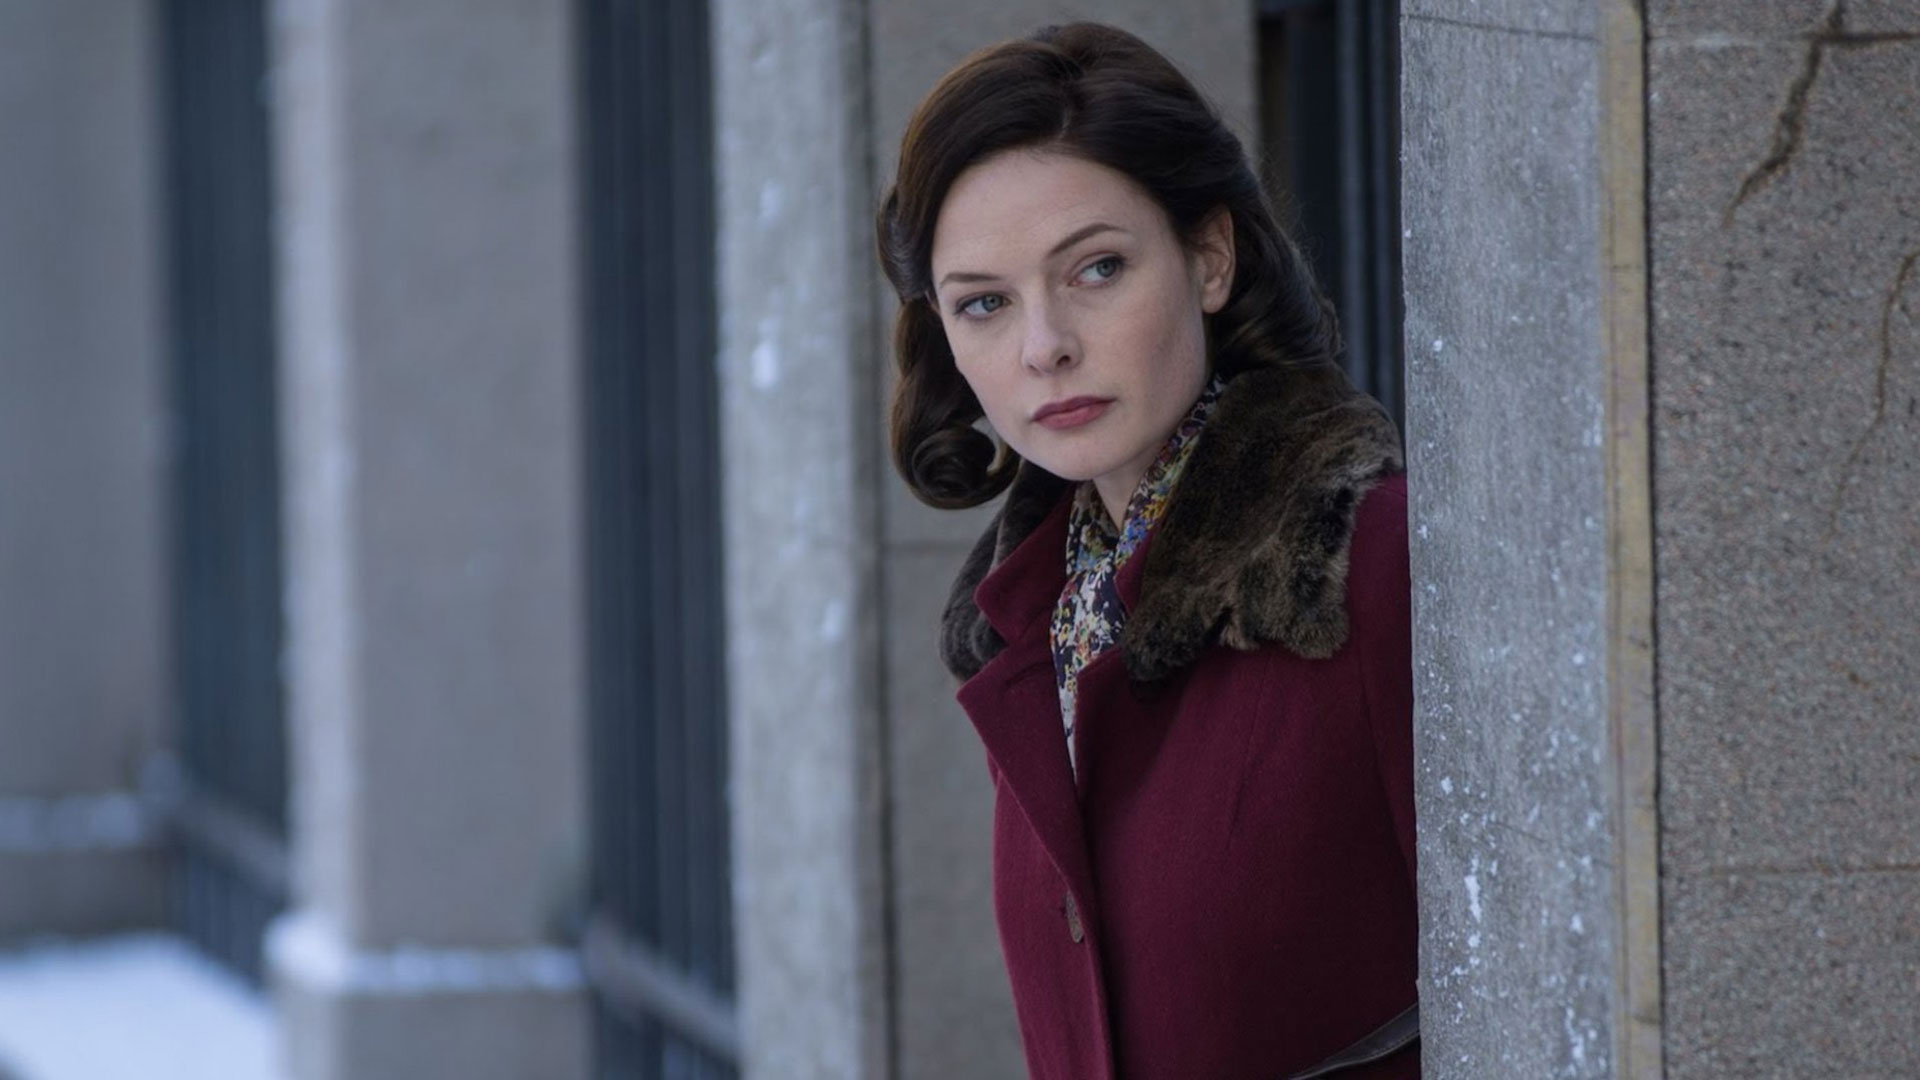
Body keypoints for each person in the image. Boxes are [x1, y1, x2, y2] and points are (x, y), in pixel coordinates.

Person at [876, 21, 1418, 1080]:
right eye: (984, 303)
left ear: (1208, 256)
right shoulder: (1032, 626)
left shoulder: (1371, 568)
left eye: (1097, 269)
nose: (1045, 346)